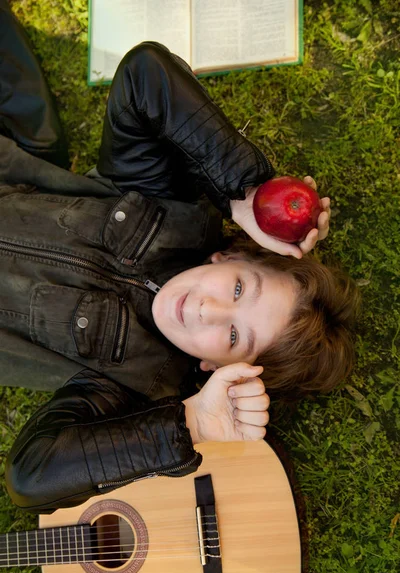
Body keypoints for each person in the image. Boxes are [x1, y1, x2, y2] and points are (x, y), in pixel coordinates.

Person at [0, 1, 358, 514]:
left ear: (218, 367)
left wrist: (191, 422)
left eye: (234, 336)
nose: (207, 309)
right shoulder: (173, 214)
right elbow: (144, 75)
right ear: (226, 257)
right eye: (238, 289)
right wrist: (245, 191)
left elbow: (29, 477)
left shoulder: (139, 390)